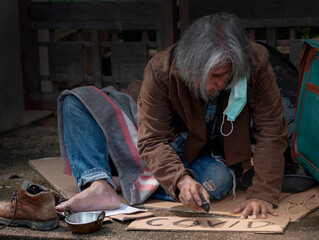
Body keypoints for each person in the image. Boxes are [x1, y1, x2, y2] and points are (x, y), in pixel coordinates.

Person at [55, 12, 288, 220]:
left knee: (216, 183)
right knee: (76, 100)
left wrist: (263, 194)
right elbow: (152, 139)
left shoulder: (254, 64)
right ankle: (99, 183)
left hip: (199, 156)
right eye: (199, 74)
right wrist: (180, 181)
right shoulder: (161, 69)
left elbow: (271, 129)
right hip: (150, 136)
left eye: (218, 75)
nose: (209, 84)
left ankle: (123, 181)